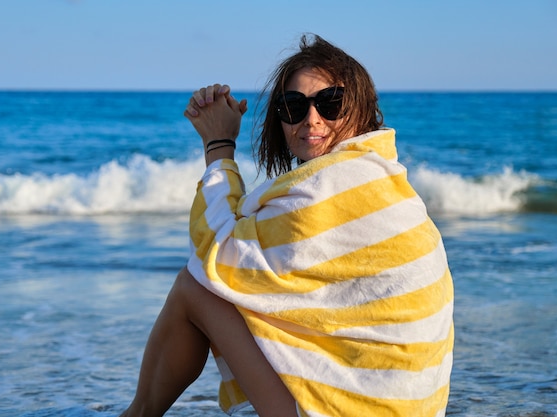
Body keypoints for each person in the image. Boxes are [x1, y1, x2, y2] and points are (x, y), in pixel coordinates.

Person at [119, 34, 454, 417]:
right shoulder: (383, 181)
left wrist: (218, 145)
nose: (312, 119)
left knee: (195, 286)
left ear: (361, 110)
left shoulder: (332, 187)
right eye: (293, 106)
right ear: (279, 119)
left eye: (332, 103)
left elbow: (215, 251)